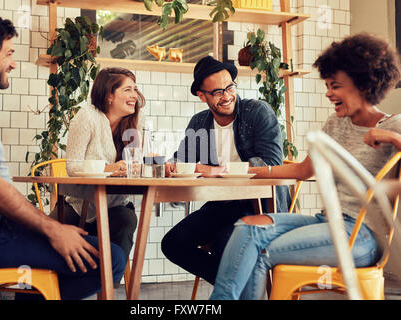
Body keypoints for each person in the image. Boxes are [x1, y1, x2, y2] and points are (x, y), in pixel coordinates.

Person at [209, 33, 401, 300]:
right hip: (326, 222)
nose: (328, 93)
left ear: (362, 85)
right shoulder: (336, 124)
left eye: (335, 86)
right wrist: (236, 170)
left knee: (260, 250)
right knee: (247, 227)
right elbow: (301, 170)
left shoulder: (394, 125)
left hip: (361, 236)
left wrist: (394, 139)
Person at [0, 13, 125, 300]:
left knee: (82, 251)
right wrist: (53, 229)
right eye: (8, 53)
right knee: (110, 259)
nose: (13, 63)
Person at [161, 56, 292, 285]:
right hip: (221, 205)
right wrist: (173, 164)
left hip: (260, 205)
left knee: (225, 244)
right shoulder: (199, 122)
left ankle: (238, 288)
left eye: (230, 87)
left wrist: (218, 171)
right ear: (202, 96)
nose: (227, 96)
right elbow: (182, 159)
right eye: (218, 92)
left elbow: (272, 163)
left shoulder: (257, 112)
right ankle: (238, 287)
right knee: (173, 243)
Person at [60, 67, 145, 263]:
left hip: (114, 205)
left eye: (135, 89)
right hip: (80, 206)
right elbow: (72, 167)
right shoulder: (87, 117)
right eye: (128, 90)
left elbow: (138, 164)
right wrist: (111, 169)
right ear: (109, 96)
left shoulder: (136, 121)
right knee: (44, 239)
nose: (135, 95)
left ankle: (108, 280)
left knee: (127, 220)